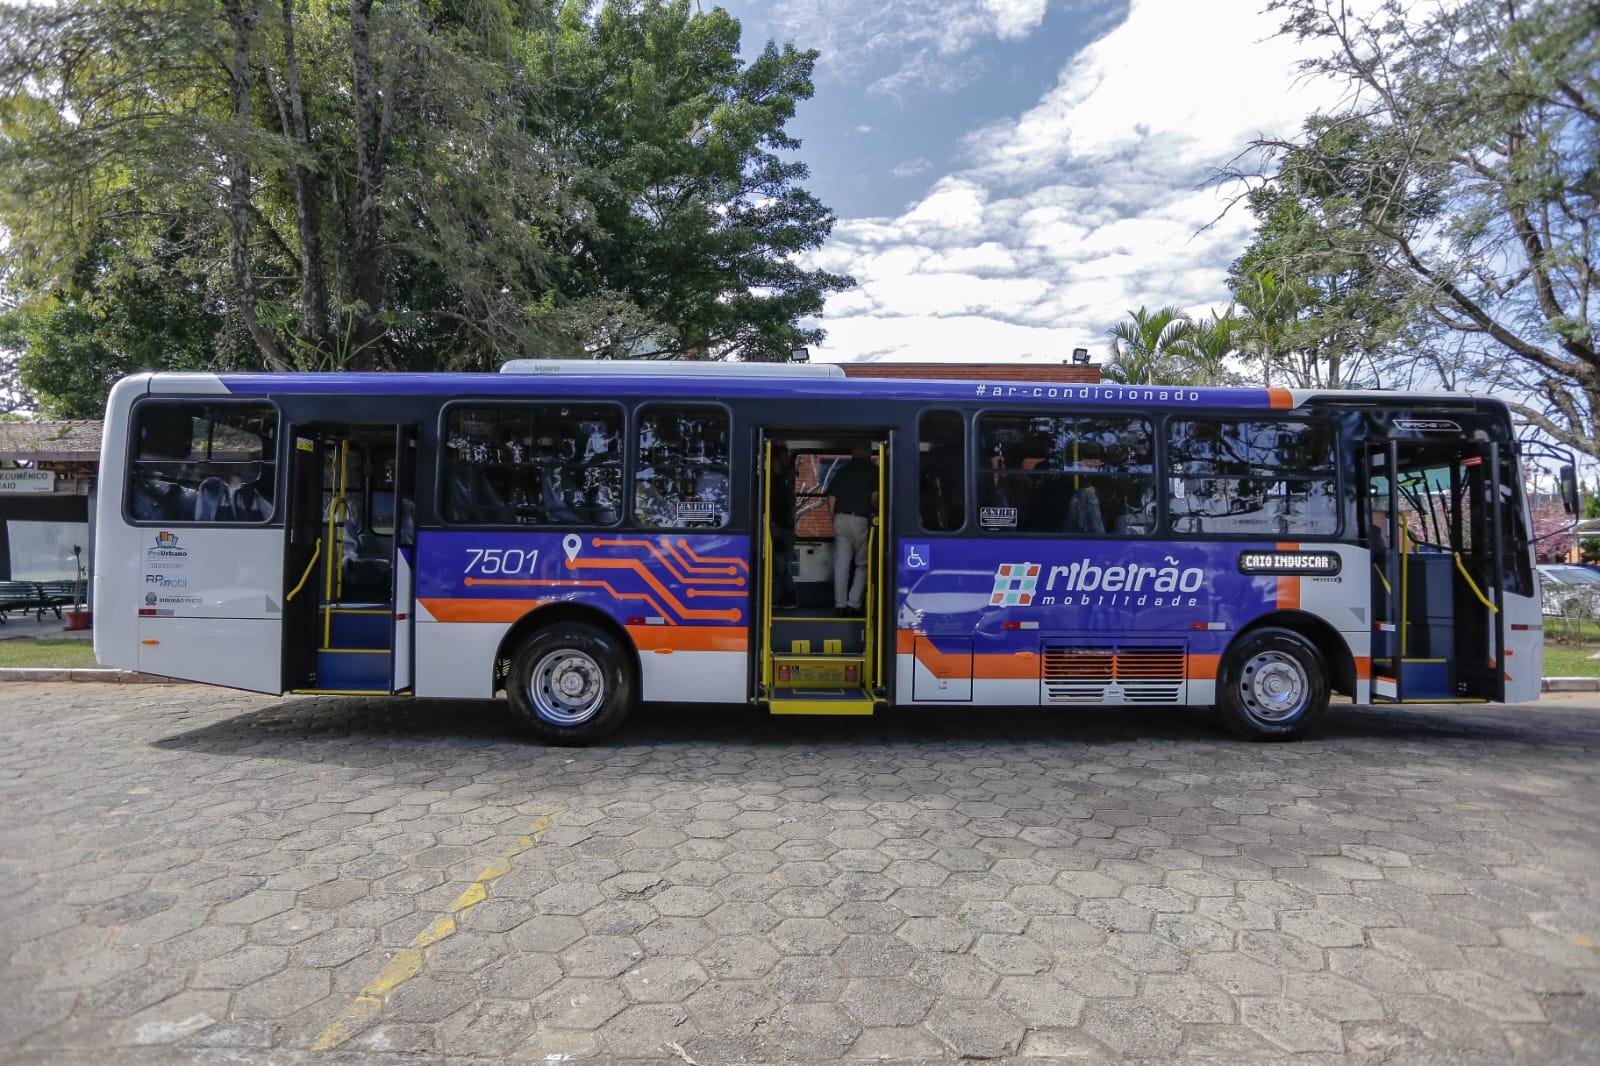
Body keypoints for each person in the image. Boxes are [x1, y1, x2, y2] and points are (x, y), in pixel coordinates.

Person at [826, 446, 878, 617]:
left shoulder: (843, 471)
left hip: (841, 518)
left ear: (852, 454)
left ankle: (839, 605)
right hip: (862, 520)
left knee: (841, 564)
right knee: (862, 564)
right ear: (869, 454)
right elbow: (875, 498)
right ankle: (853, 604)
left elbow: (831, 498)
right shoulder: (874, 471)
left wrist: (834, 518)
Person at [771, 447, 798, 610]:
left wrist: (775, 525)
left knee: (780, 565)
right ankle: (780, 597)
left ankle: (789, 596)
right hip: (781, 527)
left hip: (781, 528)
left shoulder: (778, 482)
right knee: (777, 565)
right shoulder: (782, 481)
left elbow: (781, 507)